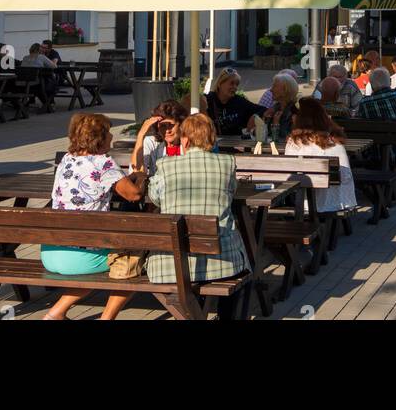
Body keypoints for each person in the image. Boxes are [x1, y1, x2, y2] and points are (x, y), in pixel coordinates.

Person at [42, 111, 147, 320]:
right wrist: (141, 176)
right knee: (132, 260)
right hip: (81, 259)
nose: (111, 137)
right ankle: (106, 318)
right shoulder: (103, 163)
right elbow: (134, 195)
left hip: (51, 252)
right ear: (98, 138)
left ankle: (56, 313)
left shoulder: (66, 160)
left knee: (108, 258)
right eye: (107, 133)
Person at [146, 113, 249, 286]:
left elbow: (155, 198)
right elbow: (230, 194)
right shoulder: (227, 163)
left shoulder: (165, 164)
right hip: (224, 263)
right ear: (212, 139)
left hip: (167, 266)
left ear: (184, 140)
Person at [285, 98, 358, 214]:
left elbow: (289, 175)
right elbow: (346, 176)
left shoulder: (294, 143)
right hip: (338, 200)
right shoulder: (334, 140)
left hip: (305, 202)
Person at [130, 99, 187, 177]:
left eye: (171, 125)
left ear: (180, 124)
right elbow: (135, 171)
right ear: (157, 127)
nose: (167, 131)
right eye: (163, 126)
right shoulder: (151, 142)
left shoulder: (187, 143)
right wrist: (141, 134)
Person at [202, 67, 265, 136]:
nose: (235, 87)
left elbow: (263, 110)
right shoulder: (208, 99)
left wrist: (255, 116)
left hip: (235, 145)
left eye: (237, 84)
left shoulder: (239, 102)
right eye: (231, 83)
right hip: (212, 145)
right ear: (220, 84)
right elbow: (189, 99)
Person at [262, 73, 300, 141]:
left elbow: (288, 139)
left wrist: (275, 125)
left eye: (274, 86)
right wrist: (265, 119)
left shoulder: (294, 112)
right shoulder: (274, 109)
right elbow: (264, 135)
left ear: (285, 90)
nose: (271, 90)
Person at [21, 41, 57, 107]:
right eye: (42, 48)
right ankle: (50, 102)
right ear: (39, 50)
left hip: (23, 84)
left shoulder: (25, 58)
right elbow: (54, 66)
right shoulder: (41, 57)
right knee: (51, 79)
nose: (43, 50)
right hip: (37, 84)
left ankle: (35, 101)